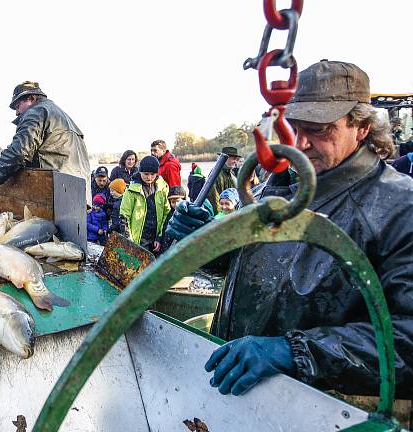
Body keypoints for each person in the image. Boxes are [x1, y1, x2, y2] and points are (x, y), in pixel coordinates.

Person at [166, 60, 413, 400]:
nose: (301, 143)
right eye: (295, 127)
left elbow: (407, 340)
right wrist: (203, 239)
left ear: (362, 128)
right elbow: (250, 270)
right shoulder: (279, 186)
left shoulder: (400, 207)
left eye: (319, 129)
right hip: (242, 391)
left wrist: (295, 352)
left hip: (331, 413)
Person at [0, 81, 91, 199]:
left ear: (31, 98)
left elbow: (19, 153)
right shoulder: (62, 116)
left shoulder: (36, 112)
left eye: (17, 106)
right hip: (79, 194)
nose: (17, 113)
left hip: (56, 191)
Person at [120, 156, 170, 255]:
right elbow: (124, 216)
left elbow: (166, 213)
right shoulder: (131, 190)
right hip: (138, 238)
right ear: (140, 172)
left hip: (155, 236)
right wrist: (128, 240)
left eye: (153, 174)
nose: (149, 177)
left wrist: (159, 237)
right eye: (146, 174)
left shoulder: (162, 188)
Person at [206, 146, 240, 214]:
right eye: (234, 159)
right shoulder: (216, 173)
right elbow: (214, 198)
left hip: (232, 212)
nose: (235, 162)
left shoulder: (231, 172)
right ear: (225, 159)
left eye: (236, 159)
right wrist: (219, 217)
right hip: (224, 214)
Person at [159, 186, 186, 252]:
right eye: (173, 202)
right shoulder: (169, 215)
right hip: (167, 247)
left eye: (178, 201)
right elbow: (164, 229)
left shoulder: (187, 215)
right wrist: (158, 239)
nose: (176, 204)